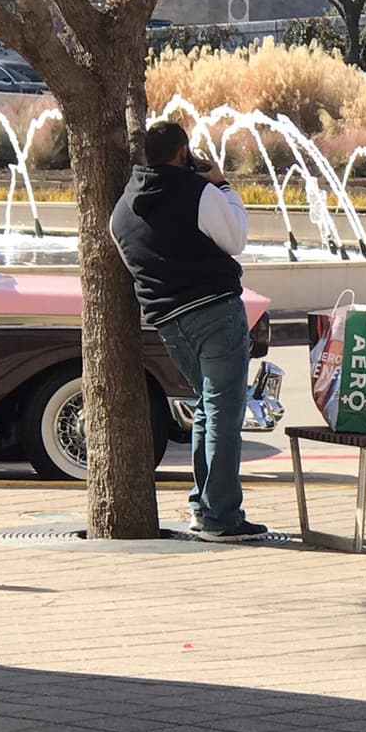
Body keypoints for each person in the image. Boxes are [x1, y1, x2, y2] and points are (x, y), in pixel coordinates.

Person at [109, 121, 268, 542]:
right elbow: (235, 238)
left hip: (168, 322)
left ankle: (204, 506)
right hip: (214, 310)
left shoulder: (121, 210)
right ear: (184, 154)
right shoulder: (197, 193)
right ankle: (221, 517)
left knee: (206, 406)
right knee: (224, 411)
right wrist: (223, 185)